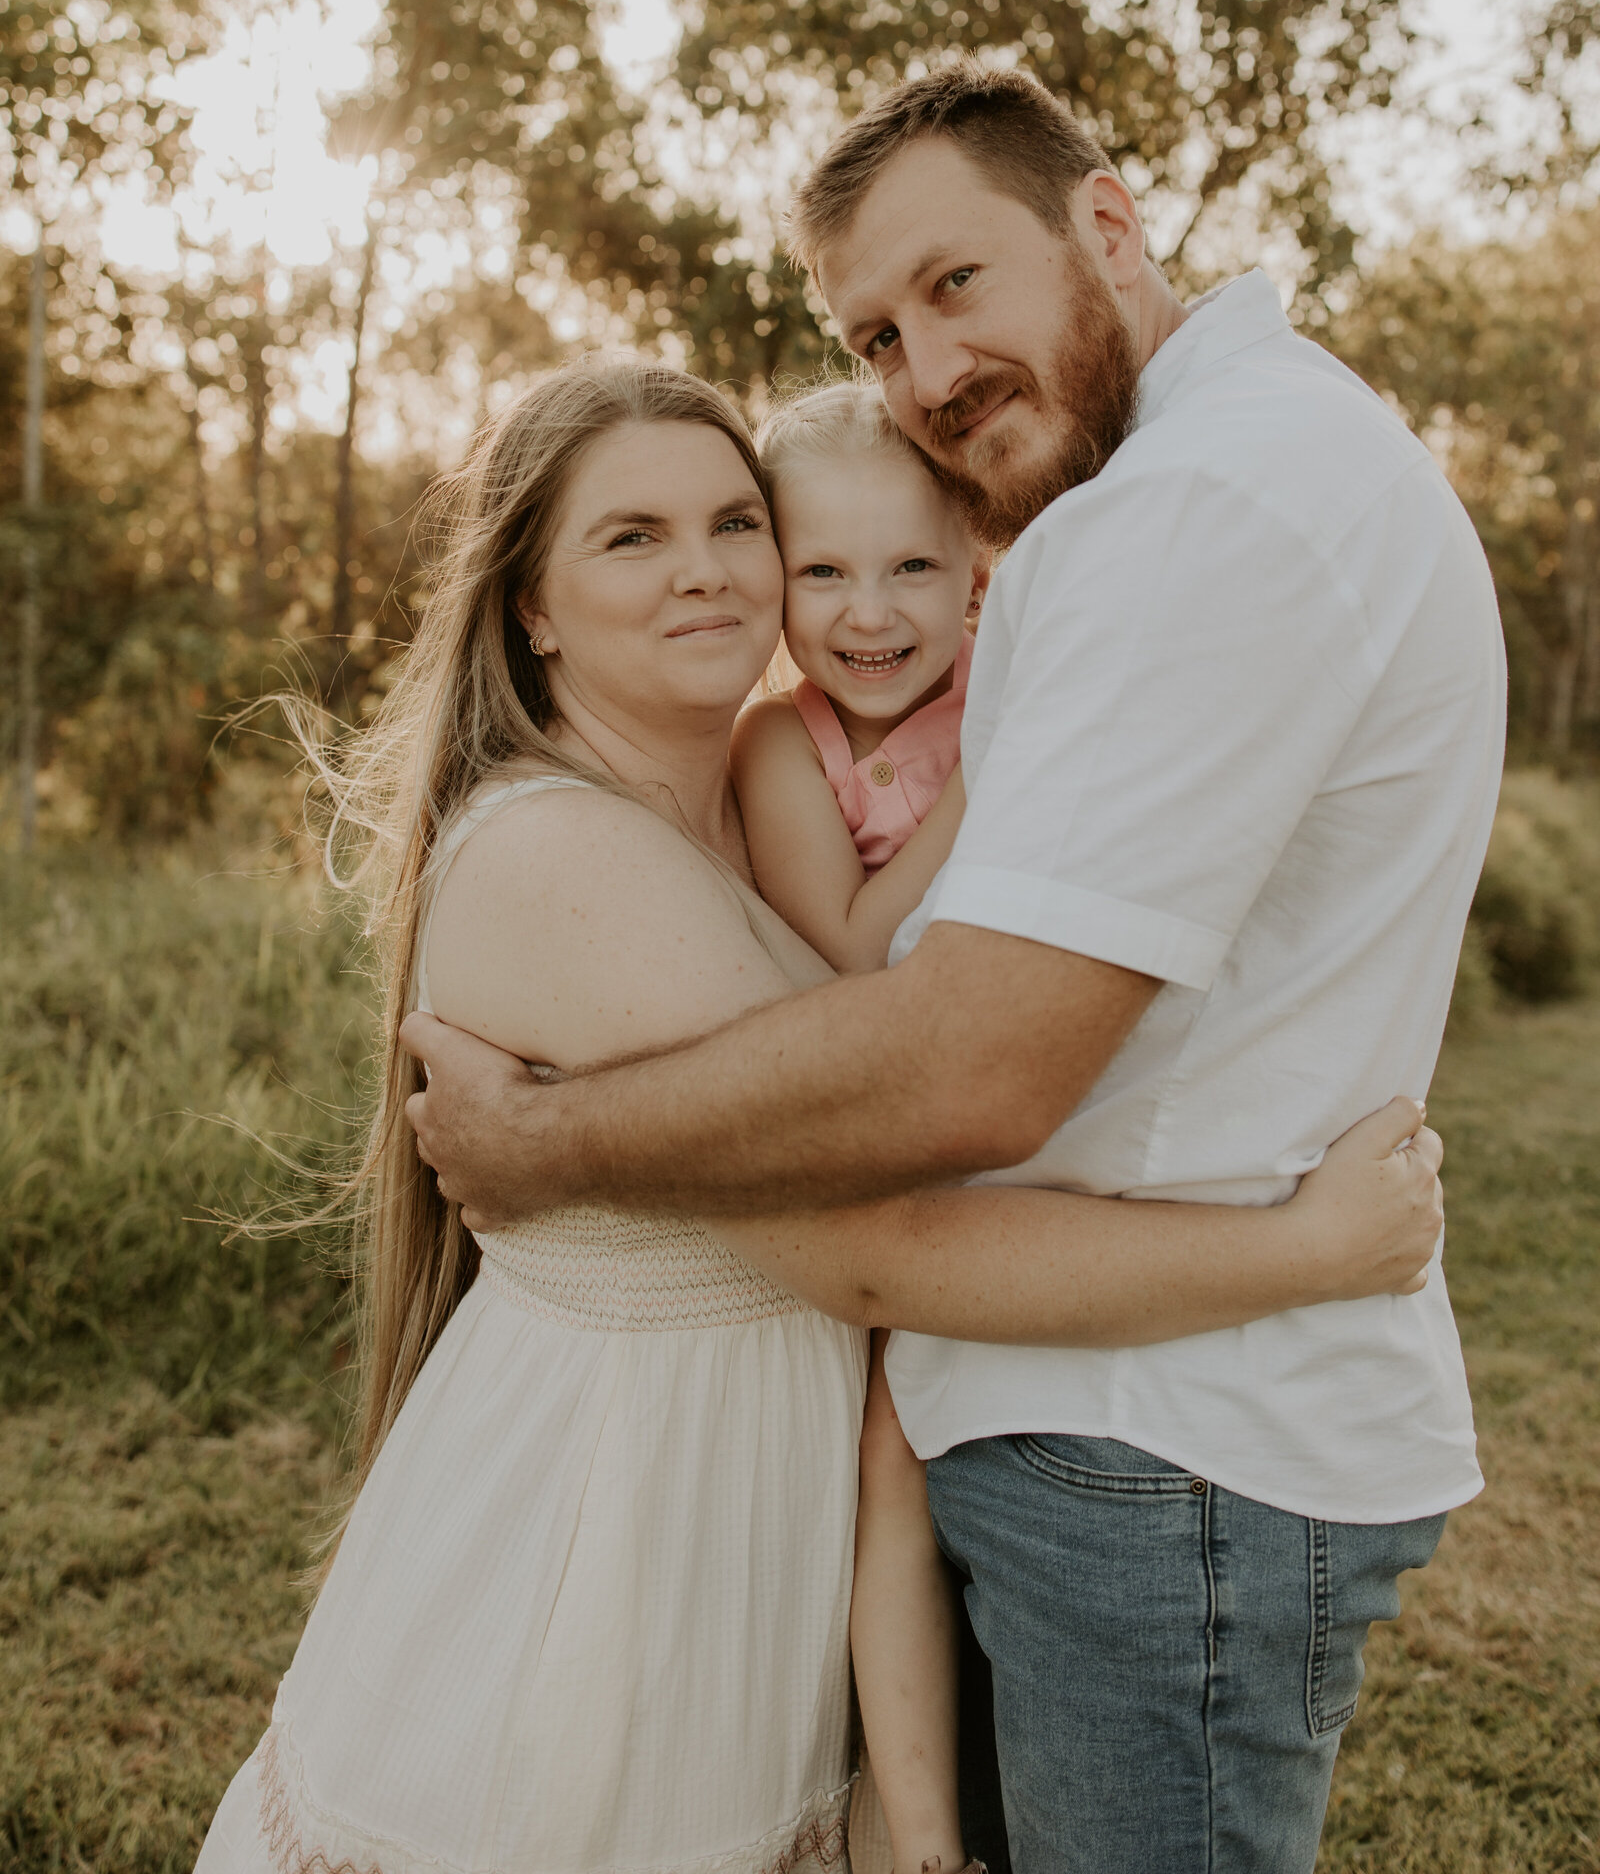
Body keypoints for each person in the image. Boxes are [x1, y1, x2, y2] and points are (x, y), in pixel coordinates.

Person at [405, 61, 1507, 1874]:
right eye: (876, 331)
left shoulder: (1198, 510)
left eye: (955, 285)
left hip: (1164, 1459)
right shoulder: (1185, 488)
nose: (924, 370)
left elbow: (967, 1068)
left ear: (1109, 220)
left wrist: (553, 1147)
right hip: (1105, 1416)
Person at [196, 356, 1447, 1874]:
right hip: (606, 1545)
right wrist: (1301, 1257)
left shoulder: (751, 796)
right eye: (632, 537)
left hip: (755, 1535)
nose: (708, 571)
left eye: (734, 521)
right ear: (530, 601)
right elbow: (882, 1251)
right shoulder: (559, 858)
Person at [734, 382, 987, 1872]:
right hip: (895, 1141)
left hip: (1041, 1118)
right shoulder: (788, 747)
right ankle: (920, 1836)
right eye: (823, 570)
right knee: (888, 1466)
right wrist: (988, 781)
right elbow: (849, 944)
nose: (868, 612)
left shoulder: (1029, 681)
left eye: (909, 568)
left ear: (976, 566)